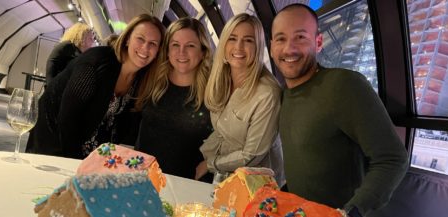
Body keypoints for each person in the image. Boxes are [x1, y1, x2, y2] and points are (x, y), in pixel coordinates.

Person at [270, 4, 408, 217]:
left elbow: (392, 158)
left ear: (319, 42)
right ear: (271, 47)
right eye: (280, 39)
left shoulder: (343, 85)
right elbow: (311, 167)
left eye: (300, 37)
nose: (289, 48)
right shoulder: (285, 96)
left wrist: (351, 213)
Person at [26, 14, 164, 159]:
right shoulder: (98, 61)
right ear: (128, 38)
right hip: (53, 137)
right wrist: (77, 164)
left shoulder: (143, 79)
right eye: (140, 39)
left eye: (153, 43)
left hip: (90, 149)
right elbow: (68, 118)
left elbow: (124, 126)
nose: (145, 48)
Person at [197, 13, 285, 186]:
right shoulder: (221, 78)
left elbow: (251, 155)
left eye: (248, 40)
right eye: (233, 38)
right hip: (224, 174)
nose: (238, 47)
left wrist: (209, 164)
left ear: (258, 46)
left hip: (255, 184)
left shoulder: (267, 93)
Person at [134, 18, 213, 180]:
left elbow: (229, 138)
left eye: (190, 46)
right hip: (141, 177)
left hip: (184, 185)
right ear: (167, 50)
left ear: (203, 51)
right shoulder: (152, 77)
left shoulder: (213, 92)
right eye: (175, 45)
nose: (181, 52)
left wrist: (210, 163)